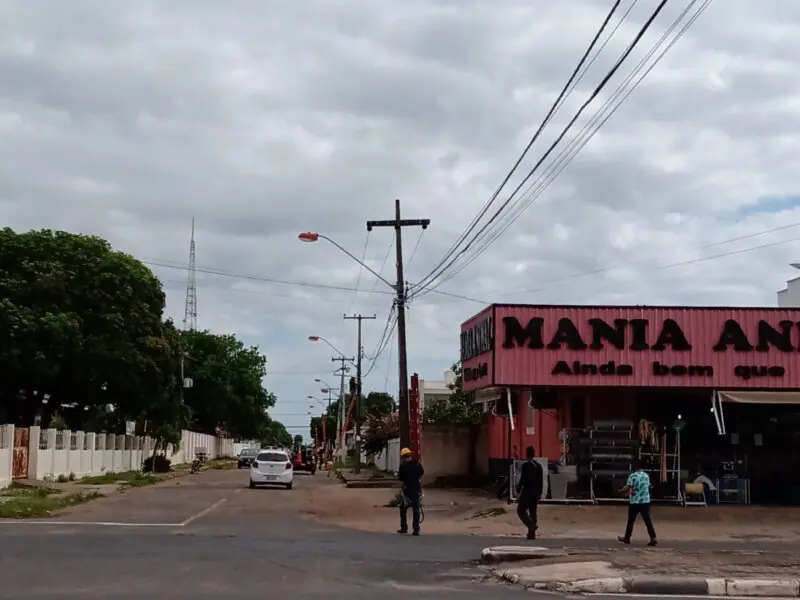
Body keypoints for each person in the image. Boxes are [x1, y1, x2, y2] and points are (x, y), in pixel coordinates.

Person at [618, 459, 658, 546]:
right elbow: (648, 486)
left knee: (631, 520)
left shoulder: (633, 476)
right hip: (645, 501)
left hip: (635, 501)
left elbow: (628, 487)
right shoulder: (646, 476)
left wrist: (621, 491)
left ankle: (627, 538)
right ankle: (653, 537)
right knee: (647, 520)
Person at [516, 446, 543, 540]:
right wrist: (540, 494)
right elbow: (541, 482)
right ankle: (531, 534)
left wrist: (518, 490)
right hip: (535, 493)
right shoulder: (538, 466)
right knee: (533, 511)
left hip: (527, 492)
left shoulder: (525, 466)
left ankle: (531, 526)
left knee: (521, 510)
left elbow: (523, 479)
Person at [397, 447, 424, 536]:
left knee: (403, 509)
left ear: (403, 457)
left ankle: (404, 528)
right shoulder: (418, 465)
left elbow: (400, 479)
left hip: (406, 491)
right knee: (416, 510)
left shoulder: (403, 466)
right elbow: (421, 475)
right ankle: (416, 529)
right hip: (416, 490)